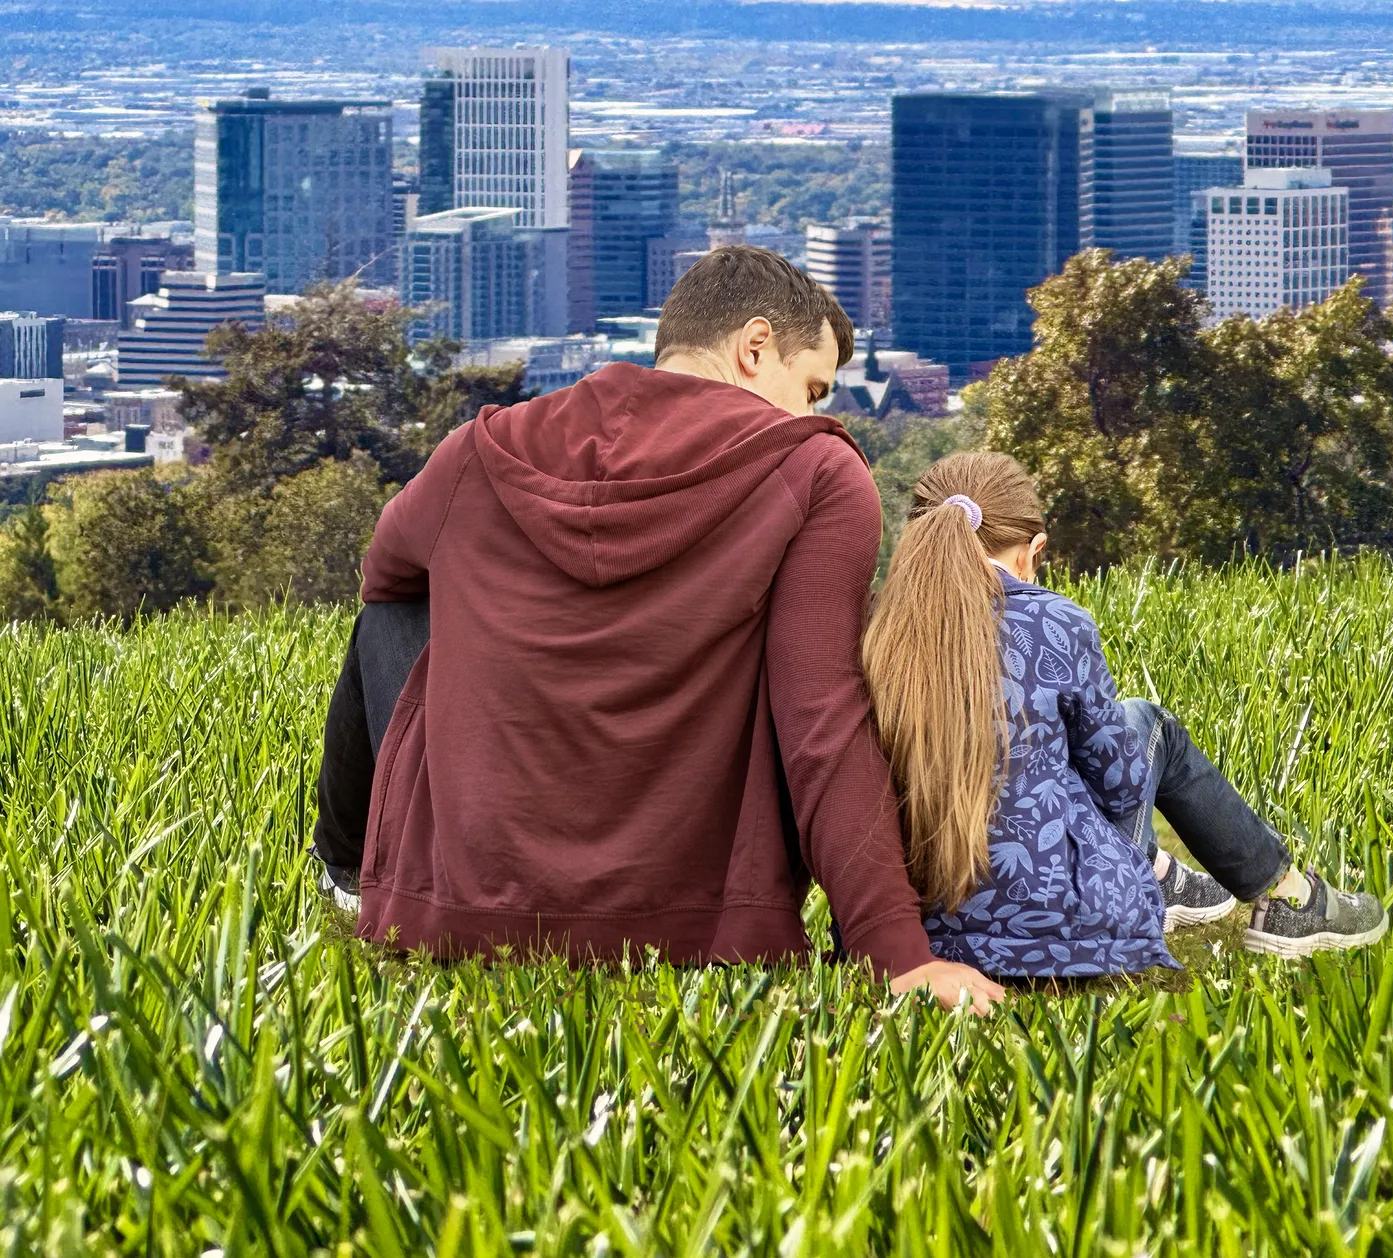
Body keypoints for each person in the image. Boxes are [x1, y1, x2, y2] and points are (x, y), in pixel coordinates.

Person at [310, 246, 1004, 1012]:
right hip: (696, 928)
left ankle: (349, 874)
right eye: (811, 389)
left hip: (465, 919)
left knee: (392, 614)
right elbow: (822, 722)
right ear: (754, 347)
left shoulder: (477, 452)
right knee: (826, 655)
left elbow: (387, 580)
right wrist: (897, 955)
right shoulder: (817, 472)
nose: (813, 416)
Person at [860, 452, 1387, 978]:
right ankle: (1289, 899)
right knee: (1147, 726)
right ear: (1033, 550)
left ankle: (1165, 874)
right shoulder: (1056, 621)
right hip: (1064, 925)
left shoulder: (873, 629)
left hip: (904, 927)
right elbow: (1122, 787)